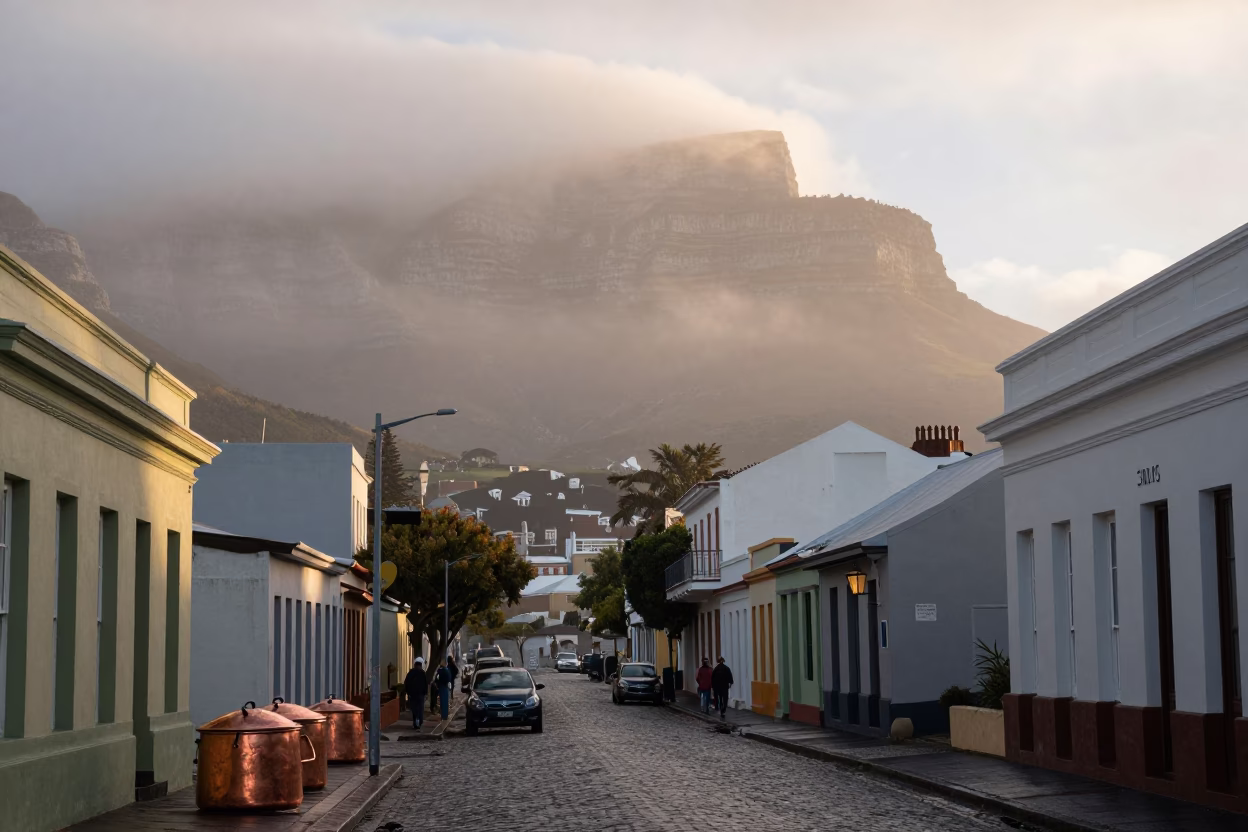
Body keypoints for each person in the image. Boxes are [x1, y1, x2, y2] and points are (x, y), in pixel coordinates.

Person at [403, 657, 428, 730]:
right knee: (420, 708)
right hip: (420, 694)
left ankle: (415, 722)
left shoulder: (411, 672)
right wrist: (425, 693)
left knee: (414, 708)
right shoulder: (422, 673)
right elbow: (425, 684)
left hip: (412, 694)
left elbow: (406, 683)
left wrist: (408, 692)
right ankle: (419, 721)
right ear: (420, 665)